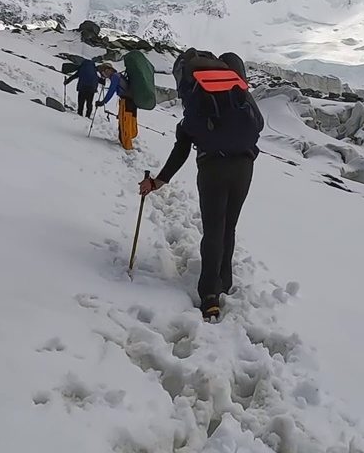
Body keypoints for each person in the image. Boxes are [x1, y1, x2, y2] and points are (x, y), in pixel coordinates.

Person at [139, 50, 264, 321]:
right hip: (244, 167)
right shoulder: (239, 99)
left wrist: (158, 181)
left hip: (212, 169)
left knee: (214, 229)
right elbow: (260, 125)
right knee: (229, 226)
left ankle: (210, 296)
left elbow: (182, 148)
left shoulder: (198, 104)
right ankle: (224, 280)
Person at [95, 63, 138, 150]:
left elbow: (111, 90)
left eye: (103, 72)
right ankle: (127, 142)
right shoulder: (119, 76)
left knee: (125, 122)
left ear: (107, 70)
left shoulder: (115, 77)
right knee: (130, 122)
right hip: (132, 101)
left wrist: (103, 102)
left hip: (126, 101)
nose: (104, 75)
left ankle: (127, 146)